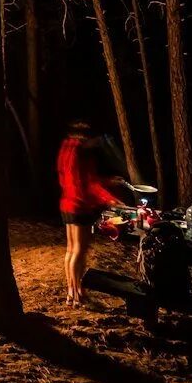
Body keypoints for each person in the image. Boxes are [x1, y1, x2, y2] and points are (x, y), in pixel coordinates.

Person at [57, 120, 119, 307]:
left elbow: (70, 178)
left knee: (70, 250)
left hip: (66, 203)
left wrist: (106, 182)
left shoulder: (66, 150)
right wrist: (108, 198)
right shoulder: (81, 153)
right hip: (79, 206)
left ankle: (72, 292)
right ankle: (78, 295)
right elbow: (87, 183)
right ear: (84, 136)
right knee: (79, 251)